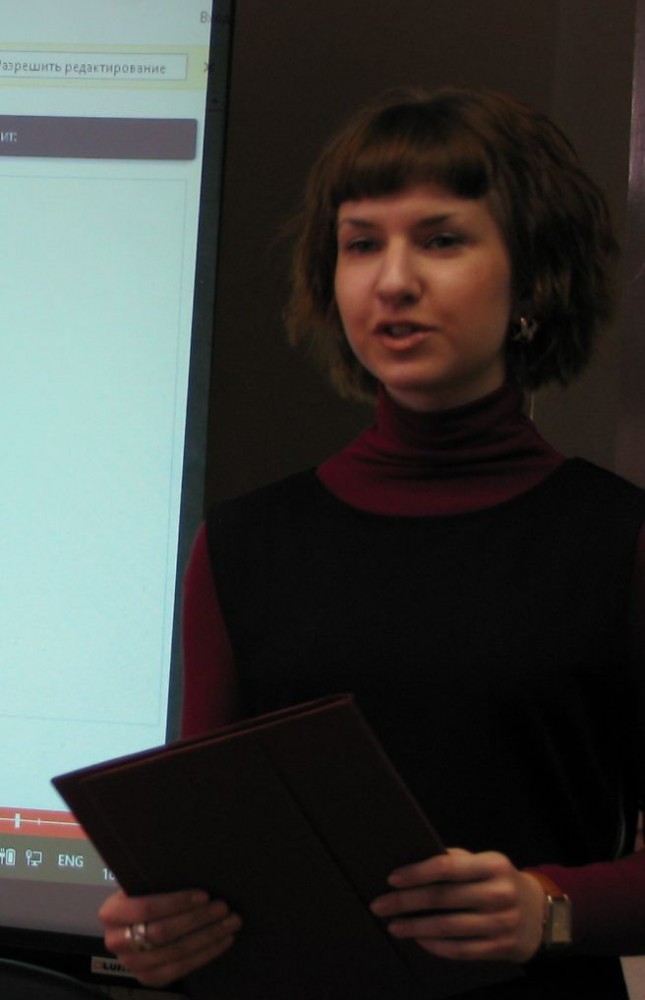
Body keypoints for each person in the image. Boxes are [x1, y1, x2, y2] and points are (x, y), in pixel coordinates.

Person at [99, 87, 645, 998]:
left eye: (441, 239)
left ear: (531, 277)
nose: (392, 281)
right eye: (360, 244)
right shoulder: (243, 544)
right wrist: (159, 926)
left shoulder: (617, 540)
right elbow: (207, 853)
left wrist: (550, 907)